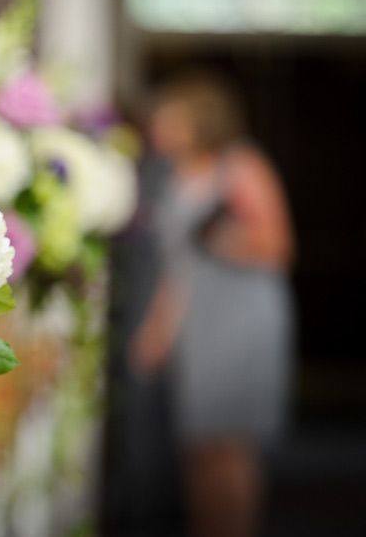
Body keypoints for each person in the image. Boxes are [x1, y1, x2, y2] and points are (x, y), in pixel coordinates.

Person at [131, 72, 294, 537]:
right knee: (198, 442)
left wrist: (217, 236)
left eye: (170, 121)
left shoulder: (241, 166)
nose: (160, 130)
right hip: (196, 318)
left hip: (241, 316)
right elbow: (174, 266)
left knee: (231, 446)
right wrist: (157, 331)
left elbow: (277, 246)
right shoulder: (171, 175)